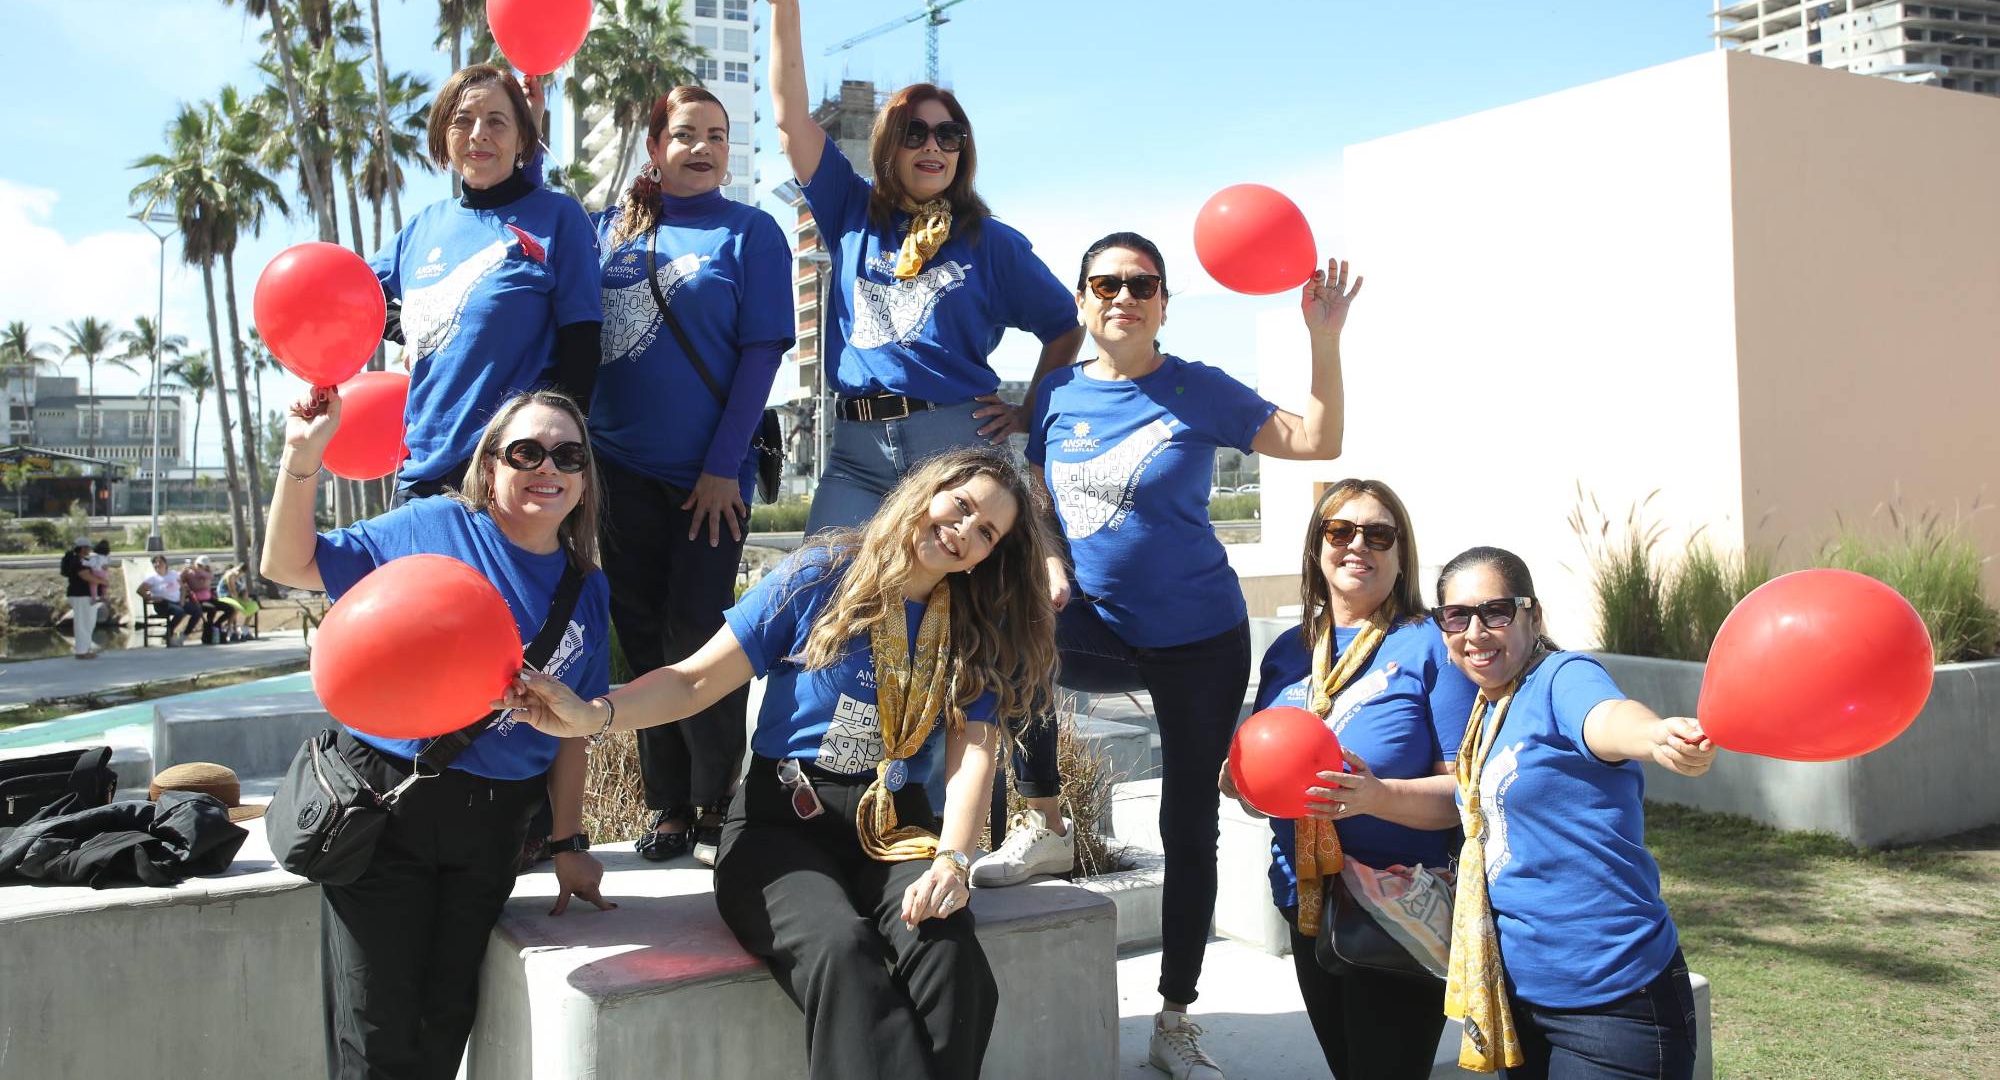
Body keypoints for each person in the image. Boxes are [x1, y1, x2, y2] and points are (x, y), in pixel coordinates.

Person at [496, 445, 1058, 1080]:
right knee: (842, 954)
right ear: (927, 493)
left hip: (900, 830)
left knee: (950, 958)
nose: (963, 531)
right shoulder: (818, 577)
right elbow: (691, 683)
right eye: (961, 506)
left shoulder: (972, 625)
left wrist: (954, 860)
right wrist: (592, 714)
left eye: (986, 532)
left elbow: (971, 754)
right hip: (781, 826)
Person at [971, 231, 1361, 1080]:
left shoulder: (1195, 387)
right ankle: (1042, 820)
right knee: (1007, 631)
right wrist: (1048, 560)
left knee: (1190, 829)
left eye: (1141, 283)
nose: (1123, 295)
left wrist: (1321, 340)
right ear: (1082, 302)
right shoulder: (1059, 394)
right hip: (1100, 628)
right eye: (1105, 282)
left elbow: (1318, 440)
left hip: (1200, 641)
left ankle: (1175, 1016)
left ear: (1162, 302)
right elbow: (1032, 491)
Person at [262, 387, 616, 1080]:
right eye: (528, 451)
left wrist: (570, 842)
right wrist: (301, 458)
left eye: (568, 454)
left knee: (446, 1021)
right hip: (391, 804)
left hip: (494, 826)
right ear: (490, 467)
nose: (549, 466)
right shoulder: (432, 526)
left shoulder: (587, 586)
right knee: (376, 1035)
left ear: (584, 478)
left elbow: (574, 726)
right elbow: (290, 564)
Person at [755, 0, 1084, 534]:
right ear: (890, 146)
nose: (933, 146)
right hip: (857, 452)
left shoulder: (991, 242)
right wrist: (785, 8)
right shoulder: (849, 208)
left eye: (948, 134)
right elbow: (790, 119)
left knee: (963, 614)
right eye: (916, 133)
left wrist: (1029, 409)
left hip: (956, 447)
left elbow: (1065, 324)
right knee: (816, 590)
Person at [592, 84, 795, 867]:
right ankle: (666, 802)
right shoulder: (611, 228)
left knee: (697, 631)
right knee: (640, 635)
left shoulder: (752, 233)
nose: (703, 147)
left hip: (707, 481)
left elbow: (761, 356)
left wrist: (721, 469)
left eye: (717, 134)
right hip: (614, 472)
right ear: (656, 146)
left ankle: (717, 794)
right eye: (685, 134)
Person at [1429, 546, 1715, 1079]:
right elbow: (1457, 796)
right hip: (1521, 1001)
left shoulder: (1561, 676)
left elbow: (1605, 718)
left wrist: (1653, 735)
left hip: (1615, 1003)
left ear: (1533, 616)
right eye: (1457, 616)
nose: (1476, 630)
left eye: (1496, 611)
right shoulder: (1490, 708)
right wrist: (1370, 795)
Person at [1221, 479, 1476, 1078]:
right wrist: (1243, 784)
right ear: (1318, 548)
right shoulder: (1287, 650)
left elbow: (1466, 796)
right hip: (1305, 897)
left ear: (1400, 555)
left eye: (1378, 534)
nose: (1358, 544)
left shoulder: (1430, 646)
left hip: (1398, 904)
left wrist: (1376, 797)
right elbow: (1269, 784)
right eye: (1341, 531)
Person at [374, 65, 602, 502]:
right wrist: (414, 330)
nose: (478, 134)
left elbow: (583, 342)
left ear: (523, 137)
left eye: (497, 121)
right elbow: (362, 297)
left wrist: (555, 460)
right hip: (419, 477)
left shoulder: (558, 218)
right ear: (443, 133)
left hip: (512, 478)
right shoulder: (422, 227)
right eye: (462, 120)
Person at [138, 553, 202, 647]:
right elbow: (140, 591)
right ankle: (169, 633)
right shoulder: (152, 578)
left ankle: (183, 636)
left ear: (165, 564)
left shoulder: (173, 574)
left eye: (160, 562)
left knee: (197, 611)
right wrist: (152, 598)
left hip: (177, 601)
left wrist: (182, 600)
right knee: (180, 611)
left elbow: (183, 588)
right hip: (162, 603)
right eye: (155, 563)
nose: (158, 564)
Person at [60, 538, 97, 660]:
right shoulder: (77, 561)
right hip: (79, 595)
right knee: (82, 623)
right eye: (88, 547)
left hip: (84, 595)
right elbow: (85, 576)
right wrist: (102, 581)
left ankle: (86, 649)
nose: (89, 550)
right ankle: (81, 651)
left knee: (88, 622)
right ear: (82, 548)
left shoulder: (82, 561)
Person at [182, 555, 227, 644]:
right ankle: (209, 630)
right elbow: (182, 579)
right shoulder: (189, 573)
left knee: (229, 608)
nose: (201, 567)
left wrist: (195, 570)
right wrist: (186, 571)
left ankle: (215, 626)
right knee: (212, 609)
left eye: (202, 565)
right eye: (199, 565)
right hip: (197, 600)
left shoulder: (206, 573)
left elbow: (206, 577)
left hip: (209, 598)